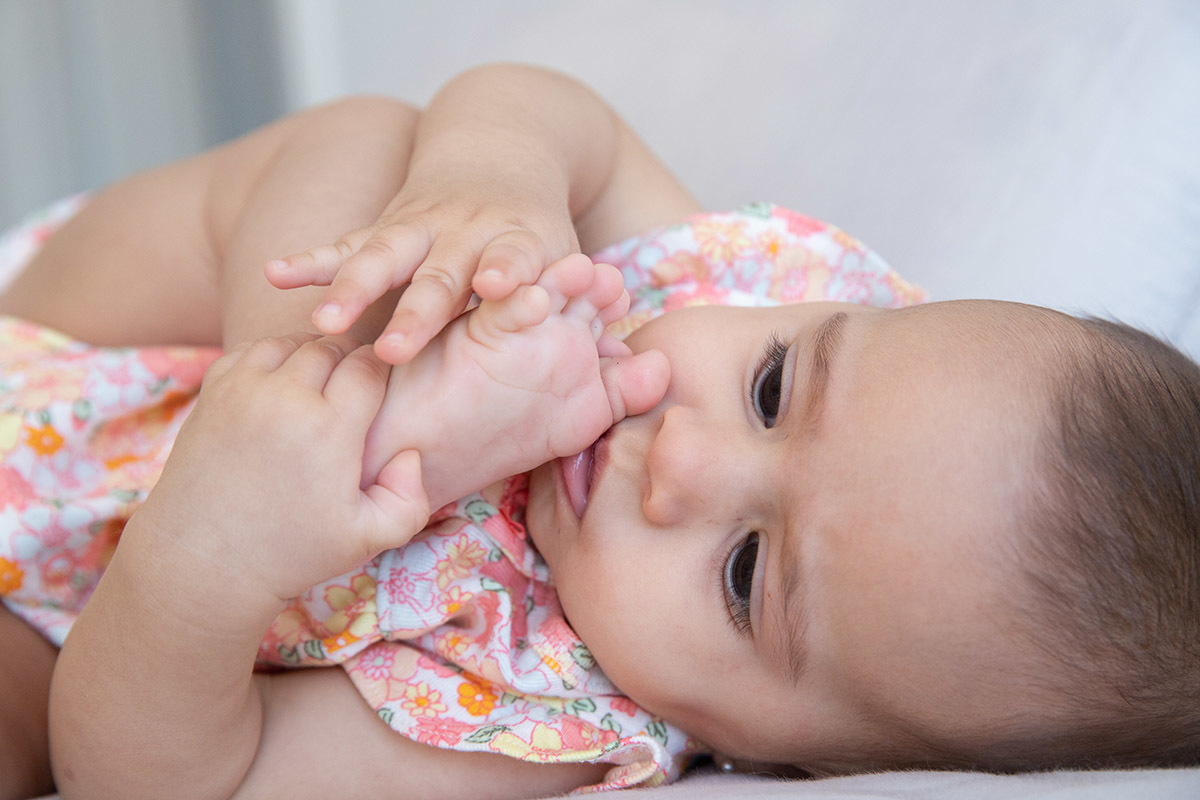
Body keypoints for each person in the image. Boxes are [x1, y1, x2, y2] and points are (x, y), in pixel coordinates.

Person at [0, 63, 1197, 800]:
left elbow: (157, 781)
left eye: (745, 572)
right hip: (89, 339)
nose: (680, 455)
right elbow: (555, 113)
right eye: (775, 390)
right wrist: (495, 174)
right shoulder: (732, 276)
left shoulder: (542, 714)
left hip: (56, 605)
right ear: (849, 304)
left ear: (785, 756)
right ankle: (325, 372)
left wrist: (206, 559)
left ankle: (314, 425)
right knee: (368, 139)